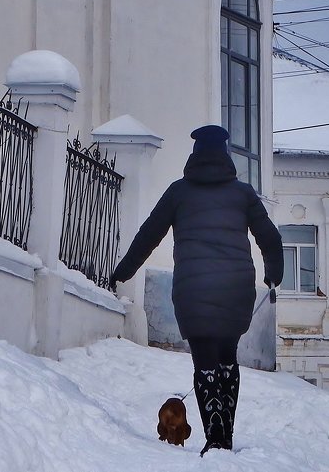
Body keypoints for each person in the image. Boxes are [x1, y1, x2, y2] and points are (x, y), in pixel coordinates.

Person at [110, 124, 283, 456]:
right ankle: (225, 436)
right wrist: (273, 276)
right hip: (235, 288)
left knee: (204, 361)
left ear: (195, 156)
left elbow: (148, 235)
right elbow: (270, 239)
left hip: (193, 289)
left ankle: (215, 438)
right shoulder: (243, 193)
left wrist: (122, 272)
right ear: (226, 156)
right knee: (227, 358)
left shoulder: (179, 192)